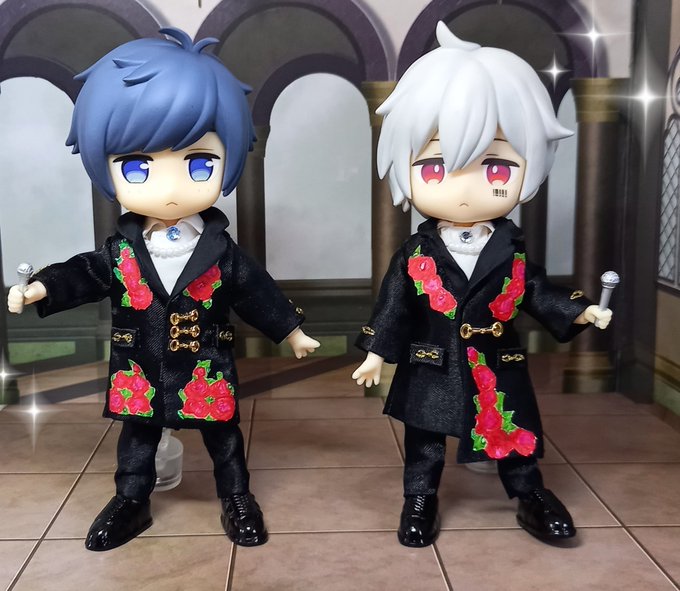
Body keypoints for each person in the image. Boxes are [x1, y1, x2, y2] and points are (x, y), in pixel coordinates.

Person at [7, 28, 319, 551]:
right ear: (105, 167)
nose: (171, 187)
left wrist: (291, 330)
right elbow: (85, 272)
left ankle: (236, 496)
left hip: (205, 365)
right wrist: (41, 287)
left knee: (224, 437)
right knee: (137, 439)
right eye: (137, 166)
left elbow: (255, 289)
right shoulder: (121, 250)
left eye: (199, 163)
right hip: (141, 365)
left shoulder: (221, 250)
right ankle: (132, 500)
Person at [352, 22, 612, 547]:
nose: (464, 188)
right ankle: (419, 499)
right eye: (435, 168)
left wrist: (581, 309)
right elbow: (394, 305)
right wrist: (377, 354)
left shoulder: (509, 249)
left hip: (496, 360)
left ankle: (529, 493)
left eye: (496, 167)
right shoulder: (417, 253)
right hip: (433, 361)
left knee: (513, 432)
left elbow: (535, 289)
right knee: (425, 439)